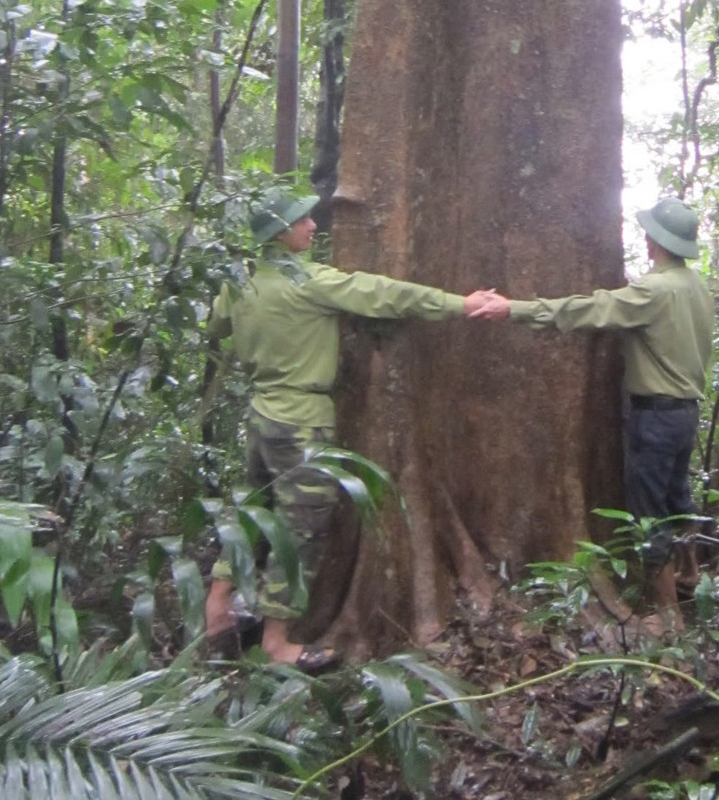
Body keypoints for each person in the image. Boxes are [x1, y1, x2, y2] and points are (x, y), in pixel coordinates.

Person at [204, 191, 498, 671]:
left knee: (251, 511)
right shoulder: (310, 282)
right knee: (302, 530)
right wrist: (460, 304)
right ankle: (277, 642)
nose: (314, 227)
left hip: (261, 416)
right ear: (280, 233)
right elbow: (384, 294)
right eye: (302, 221)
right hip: (300, 421)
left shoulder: (239, 284)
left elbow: (214, 326)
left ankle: (216, 610)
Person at [470, 198, 714, 628]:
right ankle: (690, 573)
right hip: (685, 414)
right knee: (678, 500)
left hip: (655, 418)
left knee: (648, 514)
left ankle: (669, 616)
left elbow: (588, 309)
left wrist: (516, 309)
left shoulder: (653, 291)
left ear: (654, 240)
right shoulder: (694, 287)